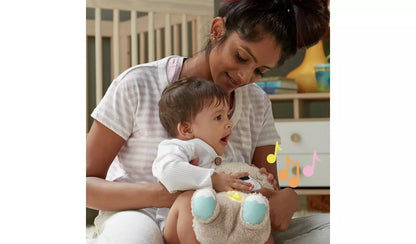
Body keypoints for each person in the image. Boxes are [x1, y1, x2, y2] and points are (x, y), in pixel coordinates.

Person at [86, 0, 330, 243]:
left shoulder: (257, 103)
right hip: (138, 214)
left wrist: (286, 197)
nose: (245, 76)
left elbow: (266, 181)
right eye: (241, 56)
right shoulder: (137, 84)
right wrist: (171, 195)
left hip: (223, 222)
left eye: (260, 71)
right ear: (216, 31)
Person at [153, 78, 274, 244]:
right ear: (186, 129)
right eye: (218, 117)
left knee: (261, 230)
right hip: (179, 230)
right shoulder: (179, 147)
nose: (229, 124)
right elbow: (168, 171)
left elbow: (237, 186)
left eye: (227, 116)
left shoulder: (228, 154)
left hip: (221, 227)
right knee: (188, 199)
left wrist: (260, 182)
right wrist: (213, 179)